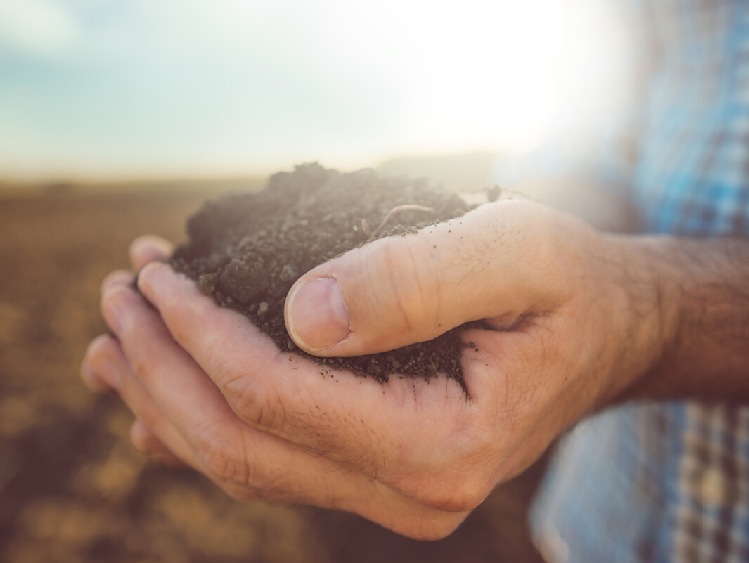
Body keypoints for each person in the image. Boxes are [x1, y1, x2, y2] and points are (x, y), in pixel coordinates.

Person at [82, 1, 749, 560]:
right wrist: (502, 250)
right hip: (598, 529)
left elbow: (640, 307)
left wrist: (648, 315)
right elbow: (594, 160)